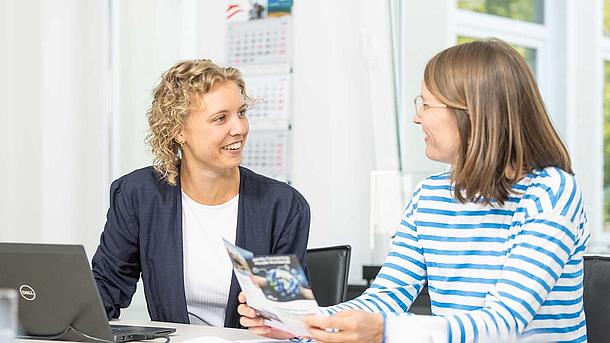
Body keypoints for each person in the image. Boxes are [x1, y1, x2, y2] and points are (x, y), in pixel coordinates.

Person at [238, 39, 590, 342]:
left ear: (470, 114)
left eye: (426, 104)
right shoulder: (431, 195)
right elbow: (386, 298)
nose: (416, 118)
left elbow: (501, 326)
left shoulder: (551, 192)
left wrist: (384, 332)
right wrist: (304, 325)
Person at [91, 59, 311, 329]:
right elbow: (105, 290)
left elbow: (285, 320)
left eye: (241, 112)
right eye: (221, 118)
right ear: (178, 130)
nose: (239, 128)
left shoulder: (281, 206)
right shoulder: (139, 196)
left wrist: (275, 315)